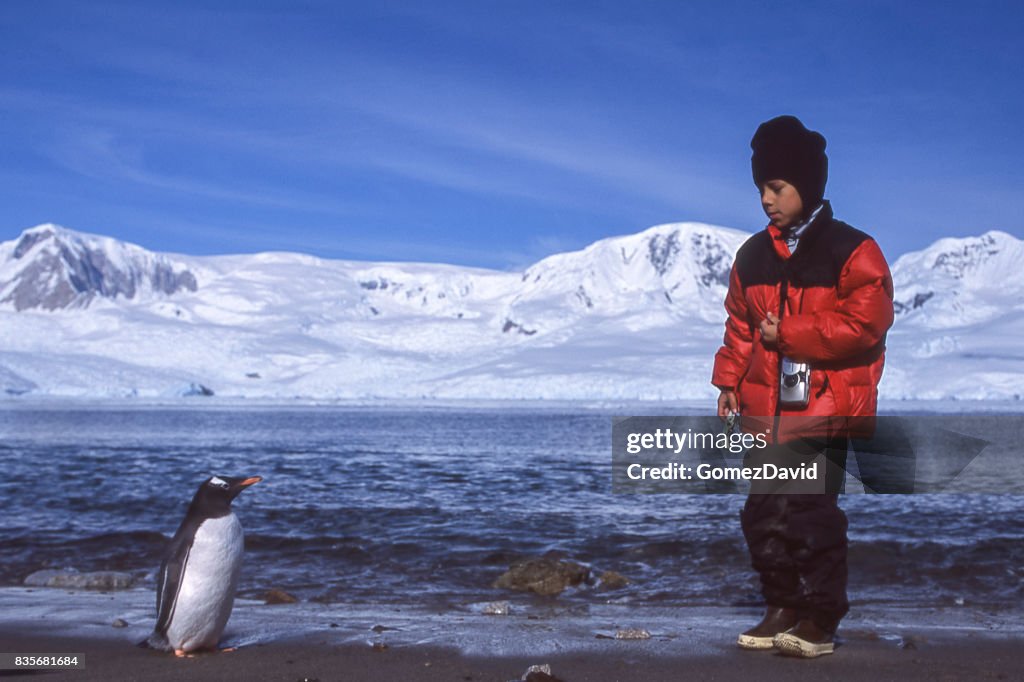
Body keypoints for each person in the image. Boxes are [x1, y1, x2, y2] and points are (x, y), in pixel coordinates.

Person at [711, 115, 894, 658]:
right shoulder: (751, 256)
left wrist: (790, 333)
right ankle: (782, 607)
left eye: (777, 187)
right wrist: (727, 382)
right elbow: (739, 326)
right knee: (762, 513)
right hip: (764, 411)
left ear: (807, 185)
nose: (766, 199)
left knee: (810, 512)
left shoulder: (853, 250)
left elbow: (866, 324)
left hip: (824, 407)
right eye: (761, 189)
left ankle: (820, 618)